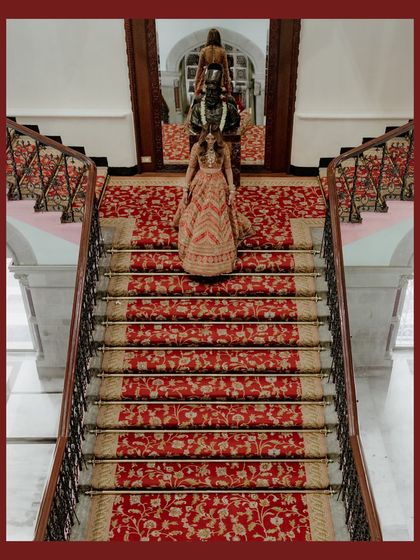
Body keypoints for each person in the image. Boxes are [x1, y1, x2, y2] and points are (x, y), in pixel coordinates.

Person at [173, 124, 254, 276]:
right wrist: (186, 188)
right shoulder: (197, 147)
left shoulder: (223, 148)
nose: (210, 141)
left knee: (218, 216)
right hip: (201, 182)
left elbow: (228, 169)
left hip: (218, 183)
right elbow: (191, 168)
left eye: (213, 138)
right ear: (204, 136)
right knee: (195, 212)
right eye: (208, 138)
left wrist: (231, 189)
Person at [190, 64, 240, 134]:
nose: (210, 94)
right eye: (208, 90)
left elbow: (235, 125)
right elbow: (194, 125)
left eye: (214, 91)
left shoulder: (230, 106)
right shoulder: (197, 106)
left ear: (219, 91)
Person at [194, 29, 232, 97]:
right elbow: (226, 70)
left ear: (208, 38)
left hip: (206, 79)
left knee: (195, 102)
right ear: (218, 38)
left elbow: (199, 69)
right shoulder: (222, 51)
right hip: (219, 80)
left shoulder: (204, 50)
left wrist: (197, 86)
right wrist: (228, 88)